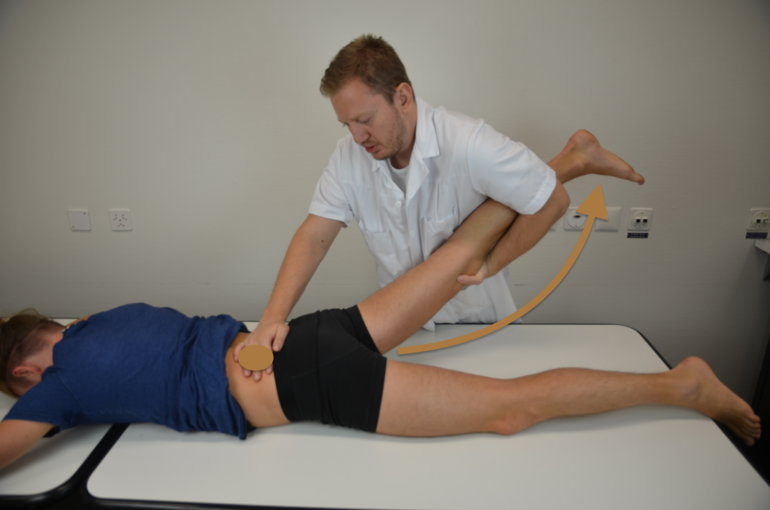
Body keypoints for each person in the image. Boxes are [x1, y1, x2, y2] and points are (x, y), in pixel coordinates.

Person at [0, 199, 760, 472]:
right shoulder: (107, 318)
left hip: (308, 382)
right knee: (453, 262)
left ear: (25, 375)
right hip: (307, 335)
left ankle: (681, 385)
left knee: (510, 409)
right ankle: (559, 163)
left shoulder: (59, 384)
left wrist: (35, 408)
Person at [243, 34, 645, 380]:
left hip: (479, 327)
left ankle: (575, 157)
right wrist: (272, 318)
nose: (357, 136)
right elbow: (315, 233)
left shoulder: (468, 143)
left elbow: (552, 200)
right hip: (405, 326)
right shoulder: (350, 156)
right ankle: (574, 158)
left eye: (364, 119)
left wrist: (492, 264)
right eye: (346, 124)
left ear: (402, 97)